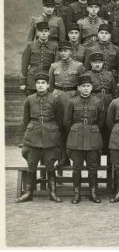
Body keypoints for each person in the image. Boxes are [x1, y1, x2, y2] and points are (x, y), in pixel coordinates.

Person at [15, 72, 64, 203]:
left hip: (50, 135)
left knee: (50, 165)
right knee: (31, 164)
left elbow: (59, 120)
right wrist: (31, 130)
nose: (41, 85)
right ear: (35, 85)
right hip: (33, 135)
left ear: (48, 84)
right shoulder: (29, 99)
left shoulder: (55, 99)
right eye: (38, 83)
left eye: (43, 83)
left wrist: (52, 130)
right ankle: (28, 192)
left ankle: (52, 192)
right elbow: (25, 120)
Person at [64, 74, 105, 204]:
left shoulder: (98, 101)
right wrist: (76, 130)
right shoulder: (72, 101)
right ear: (78, 88)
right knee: (76, 168)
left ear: (92, 87)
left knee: (93, 168)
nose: (86, 88)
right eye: (83, 86)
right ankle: (77, 194)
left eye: (88, 86)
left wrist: (91, 129)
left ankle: (93, 193)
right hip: (76, 138)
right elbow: (67, 121)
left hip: (93, 137)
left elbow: (101, 121)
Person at [48, 40, 86, 166]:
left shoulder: (78, 66)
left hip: (73, 99)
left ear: (71, 51)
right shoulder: (54, 66)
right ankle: (63, 157)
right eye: (61, 51)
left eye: (66, 50)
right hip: (58, 100)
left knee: (71, 128)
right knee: (59, 129)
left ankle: (76, 158)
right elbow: (51, 86)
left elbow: (83, 84)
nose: (63, 53)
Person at [19, 21, 58, 95]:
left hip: (47, 77)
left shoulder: (54, 46)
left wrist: (53, 82)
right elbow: (24, 65)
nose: (43, 33)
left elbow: (55, 66)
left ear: (49, 33)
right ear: (37, 33)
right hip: (32, 79)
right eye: (41, 31)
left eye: (46, 31)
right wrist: (22, 82)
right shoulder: (30, 46)